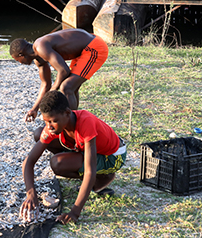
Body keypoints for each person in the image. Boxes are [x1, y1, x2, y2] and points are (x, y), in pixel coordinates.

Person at [20, 90, 126, 225]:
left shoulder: (86, 123)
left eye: (53, 121)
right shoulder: (54, 125)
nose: (49, 126)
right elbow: (28, 161)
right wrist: (30, 193)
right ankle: (92, 172)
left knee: (58, 163)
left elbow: (89, 171)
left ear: (68, 113)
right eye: (46, 121)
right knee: (39, 134)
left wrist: (74, 212)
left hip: (113, 156)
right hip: (88, 148)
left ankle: (103, 177)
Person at [10, 29, 108, 122]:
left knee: (66, 87)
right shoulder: (38, 59)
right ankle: (75, 121)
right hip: (82, 50)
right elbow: (45, 84)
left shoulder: (40, 47)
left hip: (94, 46)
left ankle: (72, 123)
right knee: (71, 87)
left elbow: (64, 71)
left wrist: (52, 92)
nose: (19, 62)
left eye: (17, 60)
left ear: (21, 55)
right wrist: (34, 109)